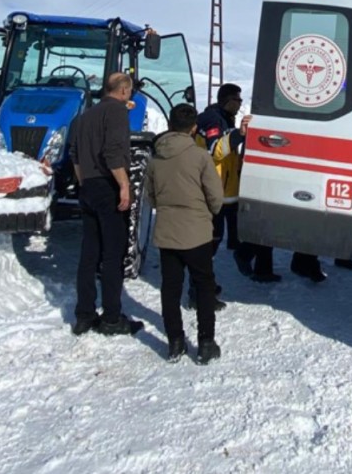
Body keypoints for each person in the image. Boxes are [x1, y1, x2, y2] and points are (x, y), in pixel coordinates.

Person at [144, 104, 225, 364]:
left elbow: (150, 196)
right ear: (193, 128)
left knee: (170, 288)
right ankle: (205, 343)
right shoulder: (200, 157)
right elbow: (216, 196)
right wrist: (207, 213)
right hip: (197, 231)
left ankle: (175, 342)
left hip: (168, 230)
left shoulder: (156, 158)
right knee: (203, 286)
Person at [68, 71, 143, 337]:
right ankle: (112, 318)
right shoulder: (116, 113)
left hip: (87, 186)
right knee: (113, 254)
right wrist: (123, 185)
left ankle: (84, 314)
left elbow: (75, 154)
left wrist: (83, 182)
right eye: (130, 91)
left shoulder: (84, 117)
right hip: (107, 186)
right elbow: (113, 152)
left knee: (89, 253)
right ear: (123, 91)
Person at [196, 84, 282, 288]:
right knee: (211, 241)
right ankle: (200, 284)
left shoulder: (226, 118)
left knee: (250, 228)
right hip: (215, 190)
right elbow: (215, 149)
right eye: (237, 100)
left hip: (229, 190)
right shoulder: (212, 119)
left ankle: (254, 263)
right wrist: (239, 135)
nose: (240, 104)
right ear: (226, 100)